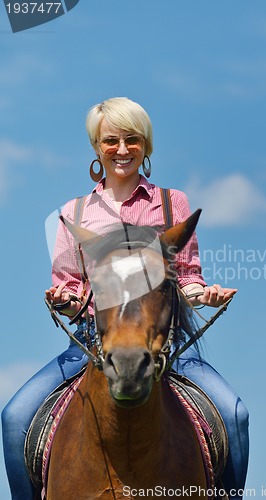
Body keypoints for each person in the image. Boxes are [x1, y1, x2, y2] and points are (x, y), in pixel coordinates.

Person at [2, 97, 249, 499]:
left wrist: (204, 295)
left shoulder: (172, 204)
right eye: (110, 140)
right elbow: (69, 282)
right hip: (92, 343)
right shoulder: (76, 212)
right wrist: (64, 301)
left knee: (235, 416)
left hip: (165, 343)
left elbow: (185, 277)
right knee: (14, 419)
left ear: (145, 145)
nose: (121, 149)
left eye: (131, 139)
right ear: (97, 147)